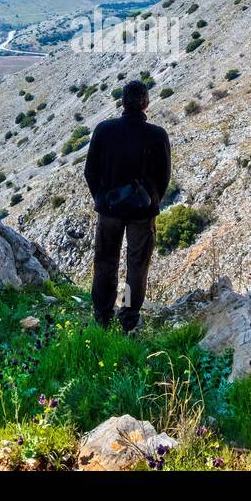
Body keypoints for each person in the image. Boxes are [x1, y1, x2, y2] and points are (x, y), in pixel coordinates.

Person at [82, 79, 171, 333]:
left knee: (105, 263)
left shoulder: (104, 130)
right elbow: (163, 177)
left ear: (122, 102)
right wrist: (152, 201)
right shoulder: (156, 135)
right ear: (146, 103)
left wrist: (102, 198)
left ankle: (102, 315)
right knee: (136, 266)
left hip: (109, 209)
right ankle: (129, 316)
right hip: (142, 213)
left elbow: (91, 172)